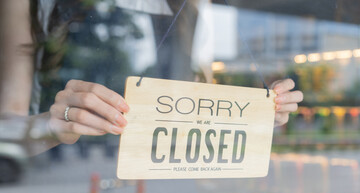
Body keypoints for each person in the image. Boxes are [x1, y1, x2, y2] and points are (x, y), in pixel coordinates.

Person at [0, 0, 303, 157]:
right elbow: (7, 135)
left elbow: (189, 121)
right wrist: (52, 126)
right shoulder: (28, 8)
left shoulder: (191, 10)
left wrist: (254, 114)